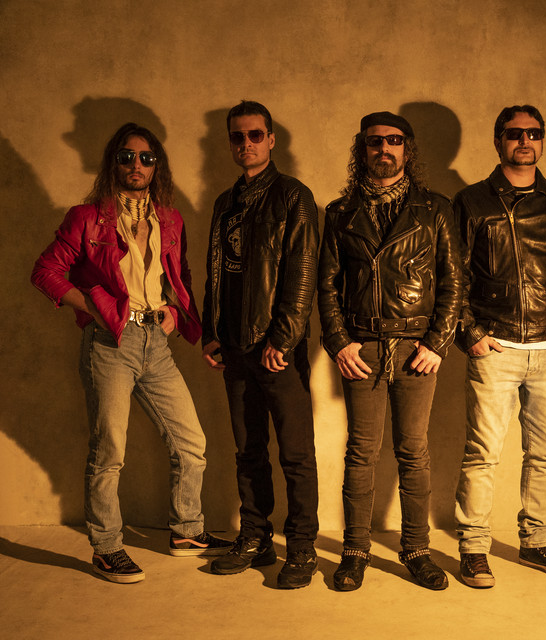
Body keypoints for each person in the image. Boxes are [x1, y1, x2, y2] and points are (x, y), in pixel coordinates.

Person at [31, 122, 231, 584]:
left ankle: (187, 531)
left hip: (156, 344)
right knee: (110, 451)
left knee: (191, 444)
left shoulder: (170, 219)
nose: (136, 165)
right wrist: (94, 309)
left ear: (156, 166)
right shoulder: (87, 218)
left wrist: (177, 314)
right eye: (126, 156)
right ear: (113, 163)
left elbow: (178, 276)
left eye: (145, 158)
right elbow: (46, 271)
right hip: (110, 345)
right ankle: (106, 548)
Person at [318, 111, 462, 591]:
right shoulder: (341, 212)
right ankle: (355, 550)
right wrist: (339, 342)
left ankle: (417, 550)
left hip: (417, 348)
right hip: (362, 348)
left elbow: (453, 282)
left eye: (394, 141)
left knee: (413, 451)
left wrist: (437, 343)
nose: (384, 149)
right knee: (360, 452)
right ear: (362, 149)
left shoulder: (434, 208)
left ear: (407, 149)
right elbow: (327, 286)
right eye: (375, 142)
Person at [454, 105, 546, 588]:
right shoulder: (472, 201)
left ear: (542, 140)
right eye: (515, 134)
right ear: (498, 141)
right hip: (496, 347)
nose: (525, 141)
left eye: (534, 133)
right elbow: (455, 276)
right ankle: (474, 549)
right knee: (483, 454)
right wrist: (471, 334)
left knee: (544, 455)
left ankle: (536, 542)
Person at [202, 101, 320, 589]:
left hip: (276, 349)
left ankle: (303, 547)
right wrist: (211, 331)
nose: (245, 143)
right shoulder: (224, 203)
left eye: (255, 135)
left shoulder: (293, 196)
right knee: (248, 450)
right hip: (234, 347)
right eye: (237, 136)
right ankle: (255, 537)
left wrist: (283, 338)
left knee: (295, 453)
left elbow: (303, 272)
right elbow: (215, 271)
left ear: (271, 139)